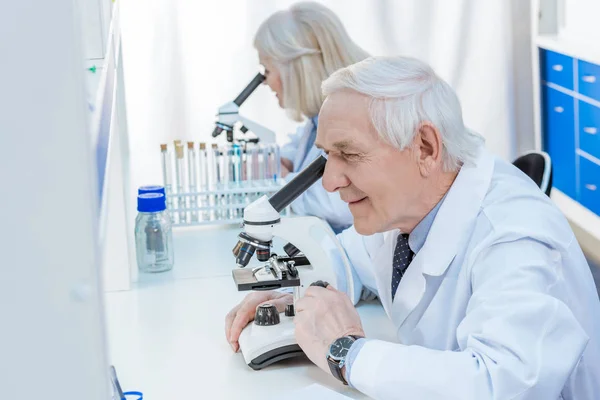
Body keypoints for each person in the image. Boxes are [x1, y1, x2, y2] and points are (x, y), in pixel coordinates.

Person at [226, 55, 600, 399]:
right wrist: (296, 300)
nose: (330, 181)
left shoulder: (515, 235)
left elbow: (498, 384)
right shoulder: (406, 205)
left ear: (424, 147)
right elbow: (350, 261)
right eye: (327, 156)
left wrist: (344, 352)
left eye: (350, 154)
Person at [253, 1, 368, 233]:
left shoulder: (355, 111)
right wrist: (283, 159)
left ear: (294, 69)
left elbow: (335, 203)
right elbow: (301, 147)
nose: (264, 82)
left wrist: (281, 179)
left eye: (267, 70)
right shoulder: (320, 115)